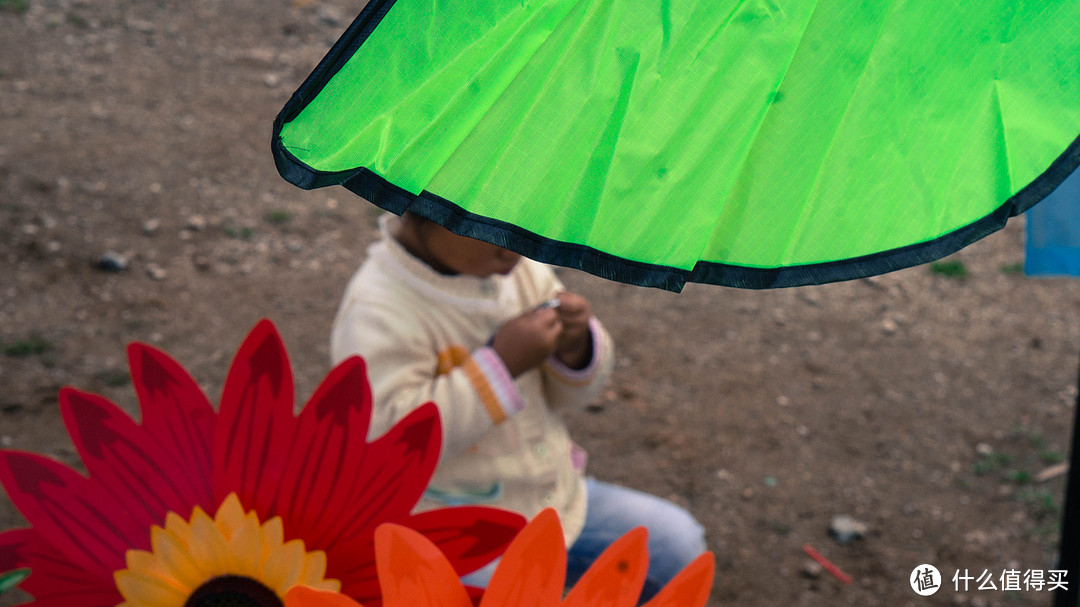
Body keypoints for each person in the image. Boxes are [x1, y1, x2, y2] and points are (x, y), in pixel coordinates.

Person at [330, 211, 706, 600]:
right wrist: (500, 368)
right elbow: (388, 441)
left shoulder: (522, 269)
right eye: (489, 220)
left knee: (676, 545)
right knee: (519, 595)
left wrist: (576, 348)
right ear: (420, 207)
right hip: (456, 532)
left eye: (519, 210)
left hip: (557, 503)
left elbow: (568, 397)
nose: (514, 241)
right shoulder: (378, 306)